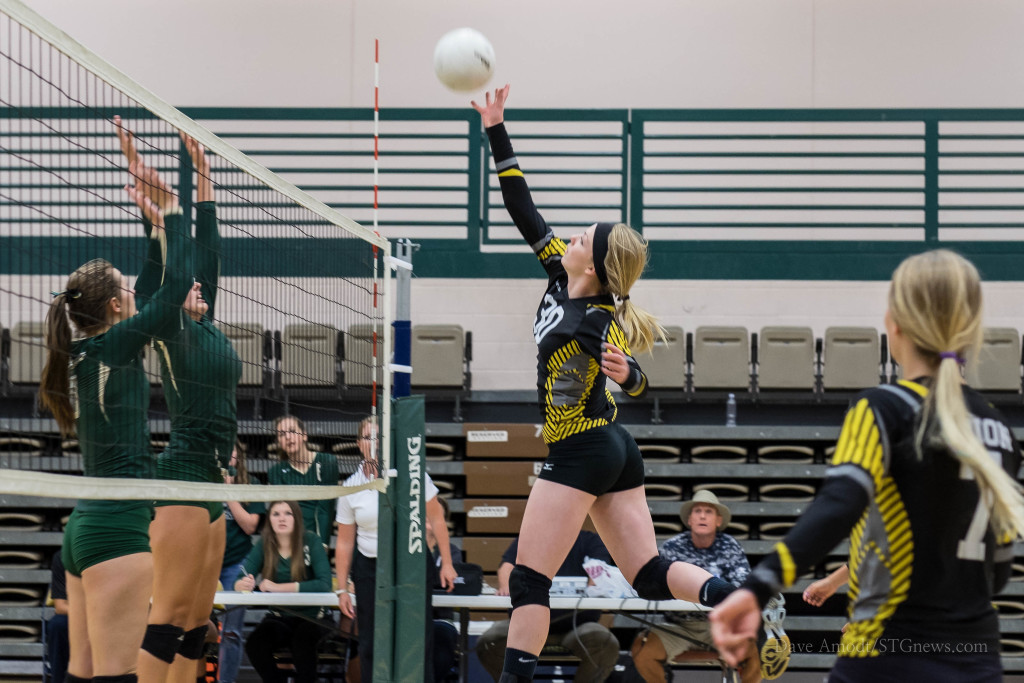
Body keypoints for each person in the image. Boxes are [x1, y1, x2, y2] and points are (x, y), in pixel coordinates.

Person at [472, 84, 733, 683]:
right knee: (646, 573)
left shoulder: (592, 318)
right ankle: (726, 598)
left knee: (530, 581)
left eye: (583, 237)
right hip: (615, 449)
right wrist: (495, 127)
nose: (570, 237)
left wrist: (635, 377)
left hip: (581, 449)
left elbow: (632, 377)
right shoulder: (565, 277)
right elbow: (523, 207)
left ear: (591, 264)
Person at [711, 249, 1024, 683]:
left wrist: (757, 587)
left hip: (887, 653)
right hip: (978, 659)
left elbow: (838, 507)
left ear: (894, 323)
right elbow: (999, 575)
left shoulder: (882, 408)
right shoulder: (999, 427)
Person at [39, 118, 192, 683]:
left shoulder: (91, 350)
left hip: (83, 530)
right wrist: (172, 207)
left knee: (82, 675)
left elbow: (151, 286)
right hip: (117, 528)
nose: (135, 292)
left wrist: (149, 221)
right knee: (116, 677)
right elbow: (171, 290)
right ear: (114, 309)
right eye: (126, 288)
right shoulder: (117, 345)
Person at [115, 120, 242, 683]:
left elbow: (207, 251)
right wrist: (160, 212)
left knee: (197, 624)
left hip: (215, 483)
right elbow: (161, 278)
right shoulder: (171, 327)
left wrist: (205, 176)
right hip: (183, 477)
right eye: (185, 282)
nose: (196, 284)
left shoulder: (206, 320)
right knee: (166, 621)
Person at [334, 416, 457, 683]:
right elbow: (344, 542)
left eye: (378, 437)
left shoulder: (411, 473)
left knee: (415, 639)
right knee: (370, 640)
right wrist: (342, 588)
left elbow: (436, 519)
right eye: (368, 437)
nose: (373, 442)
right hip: (369, 567)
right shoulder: (350, 488)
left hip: (411, 563)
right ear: (359, 444)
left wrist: (446, 562)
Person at [630, 491, 763, 683]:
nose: (702, 515)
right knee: (642, 649)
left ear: (718, 520)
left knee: (756, 647)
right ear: (689, 520)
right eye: (697, 511)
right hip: (679, 627)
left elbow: (742, 586)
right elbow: (655, 584)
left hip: (721, 626)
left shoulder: (730, 546)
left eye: (708, 511)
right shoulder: (672, 547)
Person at [476, 531, 620, 683]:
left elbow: (598, 573)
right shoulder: (530, 537)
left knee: (605, 642)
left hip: (577, 626)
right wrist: (506, 587)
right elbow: (507, 566)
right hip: (526, 627)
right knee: (489, 641)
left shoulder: (590, 539)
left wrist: (593, 586)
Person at [233, 501, 334, 683]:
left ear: (297, 518)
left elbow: (325, 584)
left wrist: (278, 588)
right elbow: (240, 576)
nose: (282, 518)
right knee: (256, 645)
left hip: (314, 617)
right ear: (269, 519)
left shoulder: (311, 540)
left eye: (288, 513)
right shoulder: (265, 543)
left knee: (302, 641)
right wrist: (241, 584)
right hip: (280, 616)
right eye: (276, 514)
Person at [218, 442, 264, 683]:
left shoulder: (251, 484)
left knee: (232, 633)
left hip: (235, 563)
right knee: (192, 626)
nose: (228, 456)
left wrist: (229, 493)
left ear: (239, 455)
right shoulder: (202, 481)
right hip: (205, 562)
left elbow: (249, 525)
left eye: (232, 451)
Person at [268, 415, 339, 543]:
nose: (288, 437)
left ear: (304, 435)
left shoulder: (327, 462)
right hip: (289, 541)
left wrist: (322, 544)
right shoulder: (275, 472)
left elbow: (325, 508)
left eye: (292, 431)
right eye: (282, 434)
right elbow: (282, 513)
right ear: (279, 443)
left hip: (315, 539)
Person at [45, 551, 70, 683]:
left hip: (109, 616)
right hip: (78, 614)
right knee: (57, 625)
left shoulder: (115, 556)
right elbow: (60, 607)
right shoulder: (62, 557)